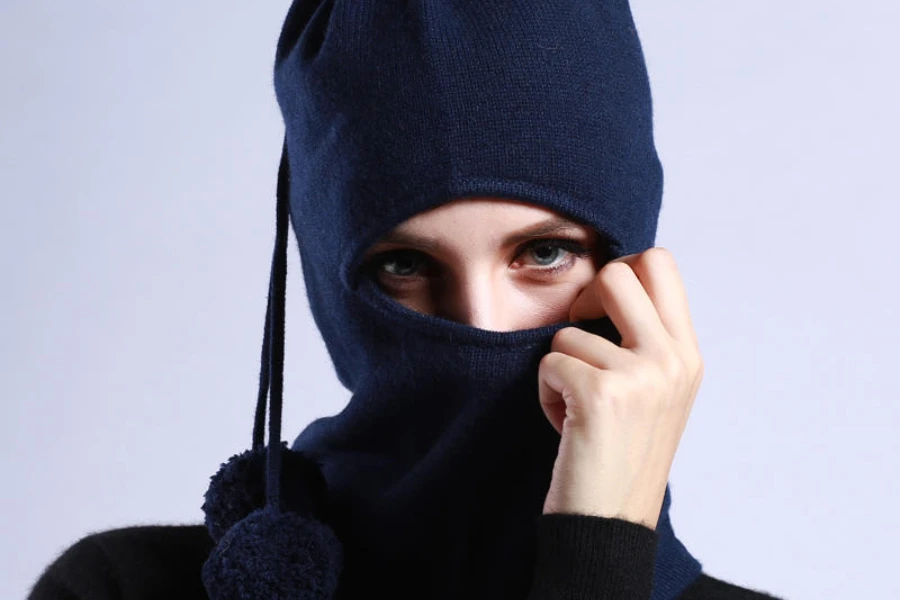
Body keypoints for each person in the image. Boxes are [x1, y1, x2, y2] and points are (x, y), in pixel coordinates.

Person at [28, 1, 786, 599]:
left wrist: (606, 543)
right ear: (331, 279)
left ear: (636, 274)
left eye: (544, 254)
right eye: (403, 264)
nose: (482, 325)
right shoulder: (122, 587)